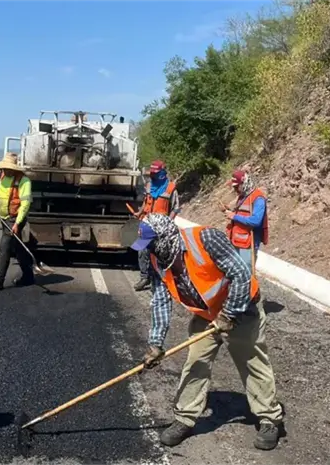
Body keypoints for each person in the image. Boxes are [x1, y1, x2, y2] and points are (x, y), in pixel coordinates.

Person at [131, 213, 284, 451]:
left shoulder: (205, 239)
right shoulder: (158, 259)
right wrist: (155, 344)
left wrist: (229, 314)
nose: (149, 251)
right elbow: (161, 300)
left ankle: (270, 419)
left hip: (242, 309)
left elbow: (242, 275)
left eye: (150, 244)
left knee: (253, 361)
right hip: (207, 314)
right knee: (196, 361)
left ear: (164, 236)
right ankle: (184, 418)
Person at [0, 152, 33, 291]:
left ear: (13, 168)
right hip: (4, 217)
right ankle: (28, 276)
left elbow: (25, 204)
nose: (3, 171)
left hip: (15, 219)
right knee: (18, 248)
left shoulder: (24, 181)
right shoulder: (4, 177)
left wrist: (17, 223)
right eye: (3, 168)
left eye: (6, 168)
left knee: (4, 249)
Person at [132, 160, 181, 292]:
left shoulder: (171, 188)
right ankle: (144, 277)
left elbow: (175, 208)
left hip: (161, 226)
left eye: (155, 173)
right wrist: (140, 212)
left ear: (162, 173)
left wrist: (168, 222)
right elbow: (146, 202)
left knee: (159, 253)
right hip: (147, 223)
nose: (152, 176)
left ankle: (160, 280)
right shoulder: (149, 185)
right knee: (142, 250)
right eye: (151, 173)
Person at [223, 170, 268, 270]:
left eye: (236, 186)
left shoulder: (258, 198)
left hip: (249, 243)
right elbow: (242, 213)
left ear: (244, 183)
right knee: (237, 271)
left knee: (246, 272)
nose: (234, 189)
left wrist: (234, 216)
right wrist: (229, 212)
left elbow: (255, 221)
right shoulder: (243, 196)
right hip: (238, 241)